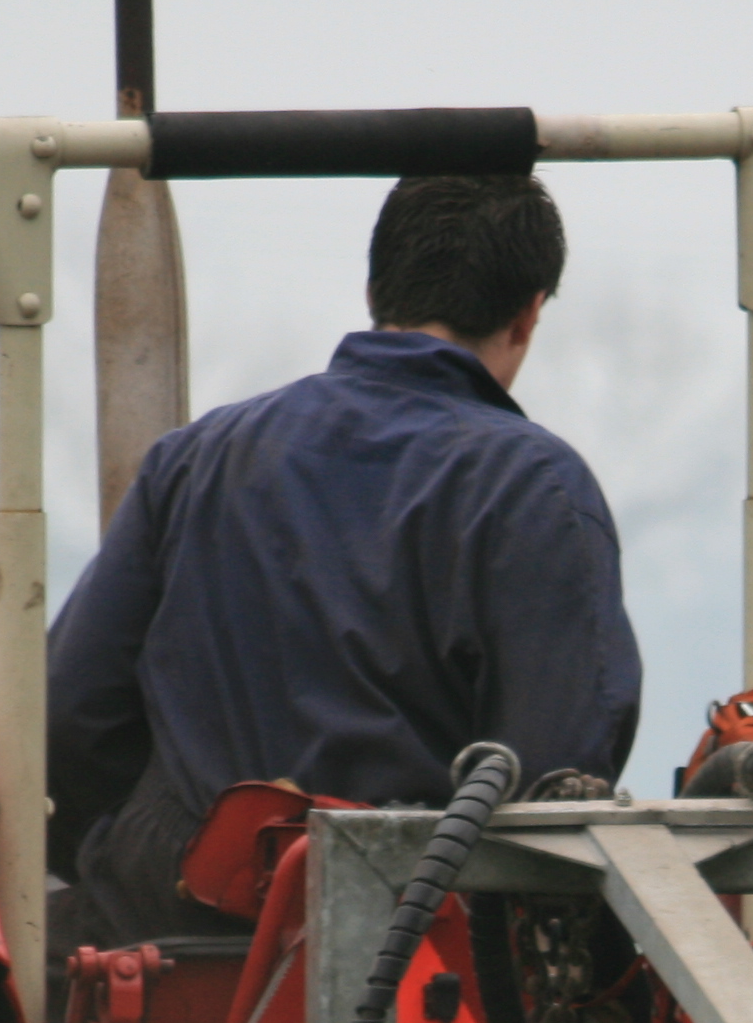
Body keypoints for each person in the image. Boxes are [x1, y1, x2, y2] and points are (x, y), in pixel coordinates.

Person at [44, 170, 645, 947]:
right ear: (528, 316)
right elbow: (557, 775)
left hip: (173, 972)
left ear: (373, 291)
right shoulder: (536, 490)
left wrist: (150, 858)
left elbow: (70, 716)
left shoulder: (194, 458)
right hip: (420, 972)